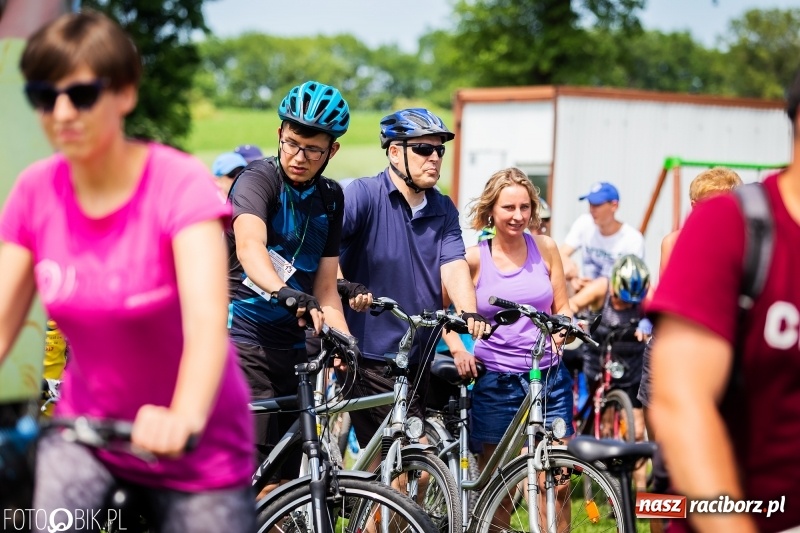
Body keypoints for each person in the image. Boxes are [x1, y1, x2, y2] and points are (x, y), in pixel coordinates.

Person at [0, 11, 254, 531]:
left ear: (125, 94)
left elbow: (207, 326)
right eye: (45, 98)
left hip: (196, 441)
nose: (62, 112)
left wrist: (182, 416)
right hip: (86, 433)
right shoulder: (35, 191)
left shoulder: (178, 184)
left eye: (83, 94)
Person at [648, 71, 800, 533]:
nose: (706, 208)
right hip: (682, 354)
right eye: (701, 202)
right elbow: (681, 402)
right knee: (663, 476)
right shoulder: (710, 231)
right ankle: (652, 514)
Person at [226, 80, 353, 497]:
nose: (298, 157)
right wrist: (284, 291)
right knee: (251, 475)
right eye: (291, 143)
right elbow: (249, 246)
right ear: (279, 134)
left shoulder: (331, 198)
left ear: (331, 152)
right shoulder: (257, 180)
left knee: (283, 480)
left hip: (295, 348)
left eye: (312, 149)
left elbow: (325, 285)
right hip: (244, 338)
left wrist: (343, 338)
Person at [337, 107, 489, 450]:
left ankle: (362, 503)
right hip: (369, 355)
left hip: (418, 355)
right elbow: (326, 253)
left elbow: (453, 264)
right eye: (423, 149)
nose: (434, 158)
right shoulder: (363, 195)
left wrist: (469, 312)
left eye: (439, 150)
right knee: (400, 459)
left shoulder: (443, 207)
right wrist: (346, 287)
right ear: (394, 152)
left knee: (410, 469)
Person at [450, 167, 572, 530]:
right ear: (491, 211)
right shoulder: (474, 258)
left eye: (525, 207)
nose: (518, 216)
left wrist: (561, 333)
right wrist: (459, 348)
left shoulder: (546, 248)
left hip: (548, 377)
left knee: (558, 481)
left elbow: (563, 308)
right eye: (508, 208)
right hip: (496, 383)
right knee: (499, 489)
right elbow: (443, 311)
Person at [637, 167, 742, 533]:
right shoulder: (674, 241)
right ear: (694, 206)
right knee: (663, 464)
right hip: (670, 360)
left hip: (720, 362)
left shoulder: (745, 244)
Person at [569, 254, 651, 491]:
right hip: (599, 365)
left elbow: (659, 311)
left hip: (632, 368)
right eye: (624, 300)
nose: (627, 306)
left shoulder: (644, 294)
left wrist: (649, 322)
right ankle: (607, 487)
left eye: (632, 303)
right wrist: (576, 320)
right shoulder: (601, 288)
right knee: (604, 427)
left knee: (635, 433)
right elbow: (572, 305)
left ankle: (642, 492)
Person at [559, 181, 645, 293]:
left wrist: (596, 289)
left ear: (614, 206)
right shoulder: (584, 222)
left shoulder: (633, 239)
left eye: (597, 204)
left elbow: (633, 283)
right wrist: (572, 275)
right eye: (590, 203)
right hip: (584, 290)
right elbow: (560, 253)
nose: (591, 209)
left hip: (615, 298)